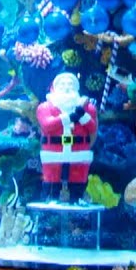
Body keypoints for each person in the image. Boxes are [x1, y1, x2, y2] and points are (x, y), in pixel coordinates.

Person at [36, 72, 97, 202]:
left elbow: (92, 128)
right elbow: (47, 125)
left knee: (78, 177)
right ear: (55, 88)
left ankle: (77, 198)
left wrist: (82, 115)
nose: (66, 87)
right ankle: (51, 198)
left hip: (79, 150)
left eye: (70, 84)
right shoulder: (44, 107)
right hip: (53, 150)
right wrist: (67, 118)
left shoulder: (88, 108)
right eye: (62, 84)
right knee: (52, 177)